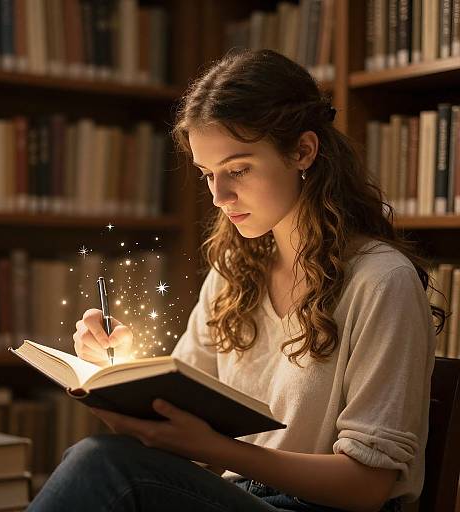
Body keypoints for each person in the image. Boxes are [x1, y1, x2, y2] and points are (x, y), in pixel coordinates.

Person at [27, 49, 444, 512]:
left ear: (303, 151)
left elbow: (367, 489)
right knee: (102, 462)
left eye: (238, 170)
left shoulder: (381, 281)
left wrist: (215, 449)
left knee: (100, 465)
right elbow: (178, 432)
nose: (220, 196)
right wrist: (115, 377)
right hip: (239, 496)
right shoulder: (233, 273)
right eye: (208, 174)